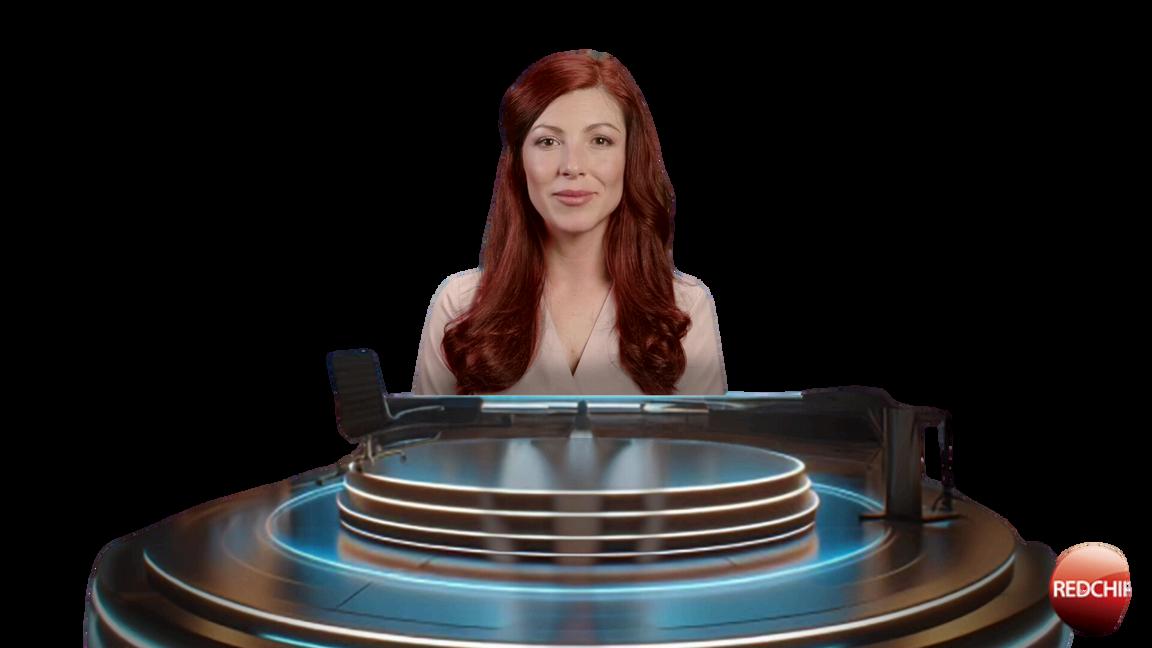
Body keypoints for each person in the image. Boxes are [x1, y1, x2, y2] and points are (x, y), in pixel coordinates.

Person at [413, 49, 726, 395]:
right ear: (518, 164)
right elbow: (422, 432)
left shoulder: (685, 306)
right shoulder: (460, 304)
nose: (572, 166)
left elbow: (708, 433)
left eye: (600, 140)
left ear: (630, 158)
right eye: (547, 141)